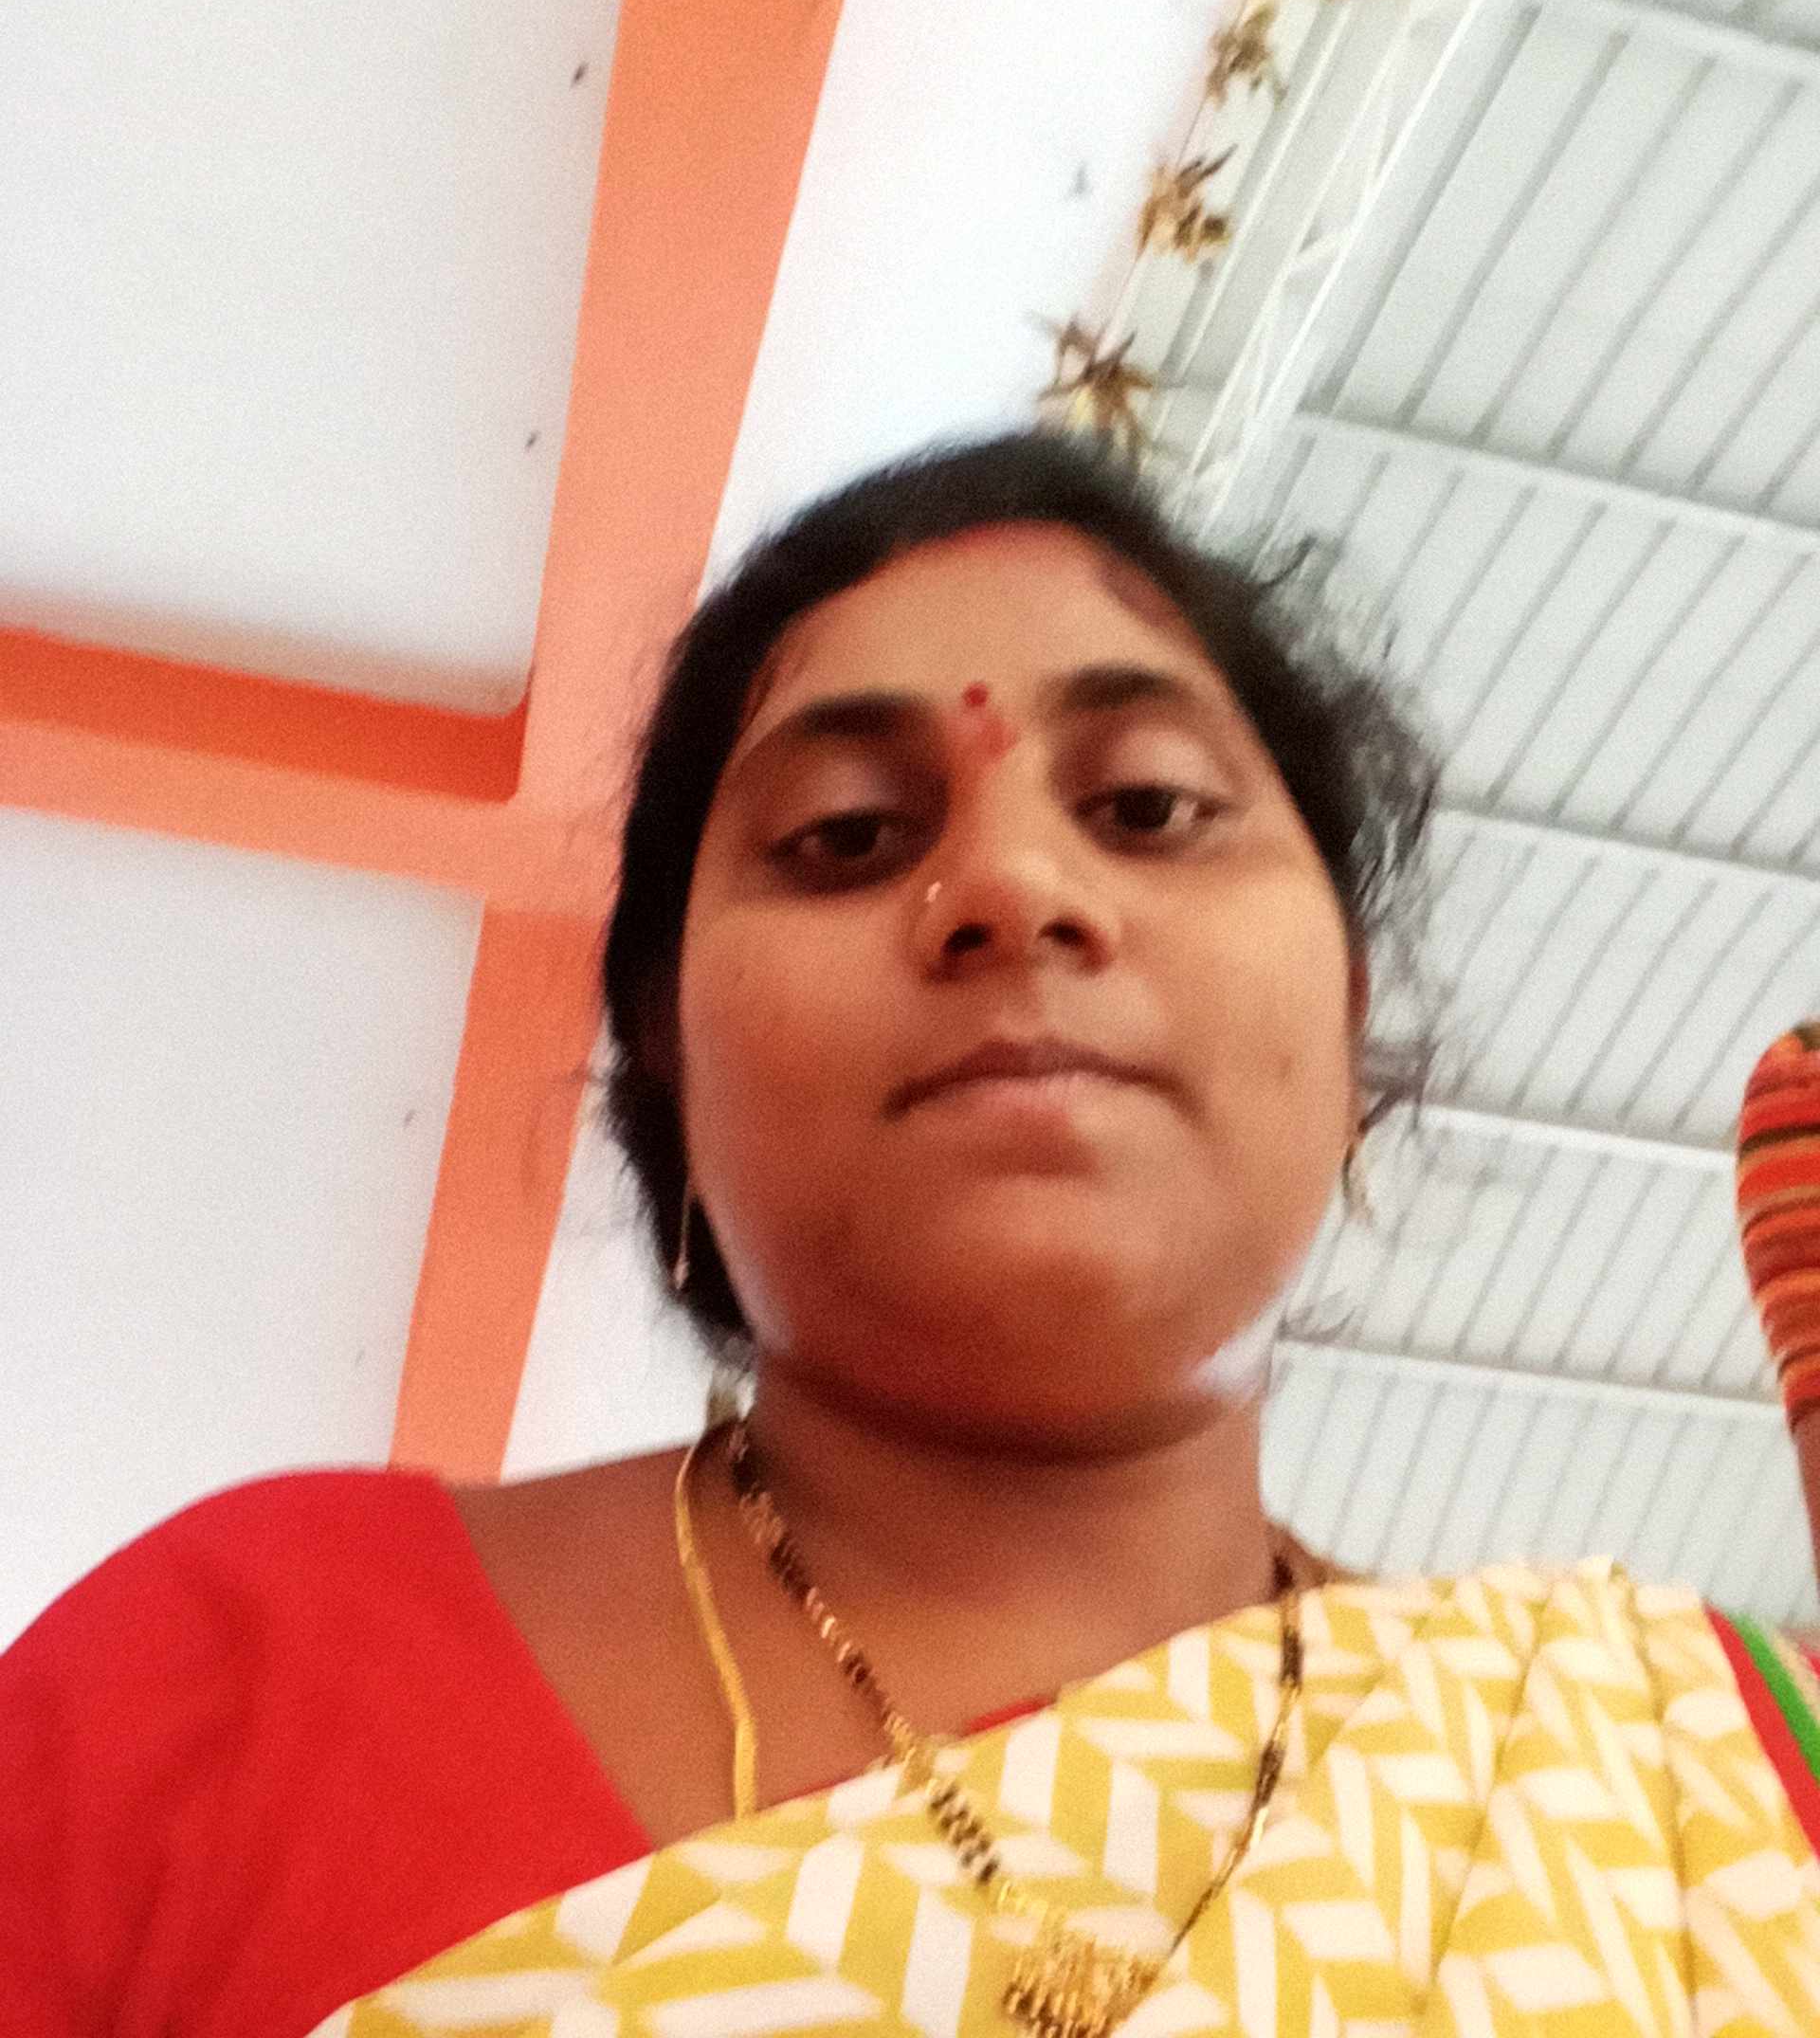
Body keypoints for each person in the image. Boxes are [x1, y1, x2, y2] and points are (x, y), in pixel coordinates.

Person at [2, 427, 1816, 2038]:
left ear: (1352, 1032)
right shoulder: (230, 1688)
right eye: (848, 836)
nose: (1012, 887)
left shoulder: (1703, 1788)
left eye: (1149, 807)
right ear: (670, 1063)